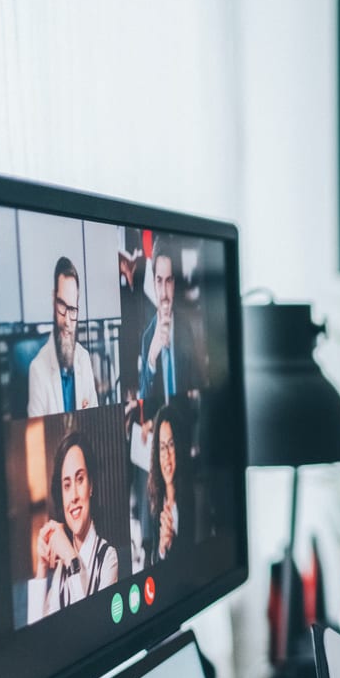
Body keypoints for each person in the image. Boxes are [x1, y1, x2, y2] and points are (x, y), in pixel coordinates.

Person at [36, 430, 119, 613]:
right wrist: (41, 566)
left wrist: (71, 558)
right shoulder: (60, 568)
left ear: (91, 486)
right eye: (66, 485)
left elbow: (93, 626)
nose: (73, 496)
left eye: (80, 479)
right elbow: (35, 634)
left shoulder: (108, 558)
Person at [28, 256, 100, 416]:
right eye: (62, 305)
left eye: (73, 309)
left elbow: (94, 415)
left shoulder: (84, 359)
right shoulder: (38, 370)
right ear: (54, 300)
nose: (67, 321)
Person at [139, 236, 190, 407]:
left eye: (169, 281)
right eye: (159, 281)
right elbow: (145, 405)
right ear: (153, 282)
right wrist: (152, 358)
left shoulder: (187, 328)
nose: (164, 293)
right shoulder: (147, 339)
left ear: (174, 283)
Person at [143, 403, 190, 565]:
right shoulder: (154, 499)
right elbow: (152, 560)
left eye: (171, 445)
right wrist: (163, 549)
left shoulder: (196, 496)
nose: (167, 457)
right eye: (162, 448)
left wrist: (173, 543)